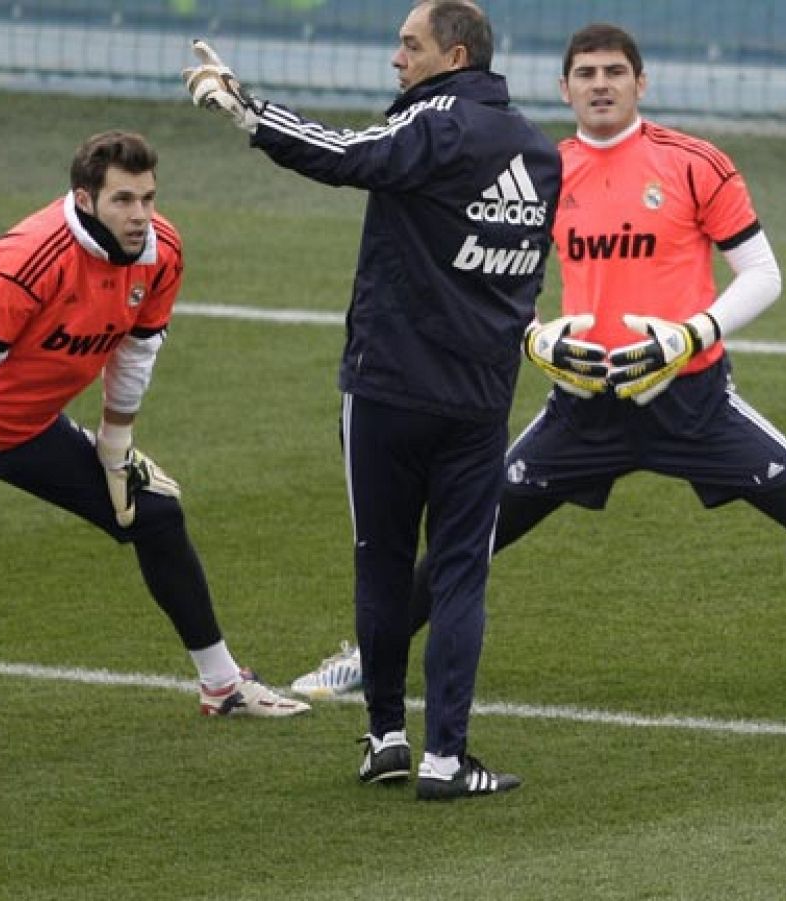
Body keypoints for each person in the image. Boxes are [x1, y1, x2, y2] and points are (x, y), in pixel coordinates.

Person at [289, 22, 786, 706]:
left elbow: (763, 274)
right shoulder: (538, 167)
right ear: (564, 88)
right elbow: (490, 276)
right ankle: (370, 655)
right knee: (469, 536)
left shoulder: (694, 163)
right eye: (586, 74)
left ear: (641, 83)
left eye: (615, 73)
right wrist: (533, 338)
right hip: (582, 413)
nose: (601, 85)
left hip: (694, 405)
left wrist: (691, 335)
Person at [0, 131, 309, 793]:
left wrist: (115, 450)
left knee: (154, 514)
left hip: (31, 427)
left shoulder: (160, 251)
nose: (140, 215)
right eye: (123, 200)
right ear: (85, 199)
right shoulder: (31, 255)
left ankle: (223, 685)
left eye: (148, 198)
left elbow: (136, 351)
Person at [184, 0, 560, 799]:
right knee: (459, 575)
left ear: (454, 57)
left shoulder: (435, 122)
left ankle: (386, 734)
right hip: (479, 400)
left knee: (382, 563)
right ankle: (445, 759)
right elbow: (525, 273)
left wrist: (247, 111)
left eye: (409, 45)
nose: (397, 59)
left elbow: (347, 155)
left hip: (389, 389)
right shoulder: (539, 151)